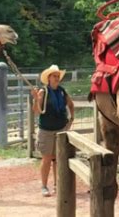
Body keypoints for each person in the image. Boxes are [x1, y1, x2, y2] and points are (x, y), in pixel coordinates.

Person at [31, 65, 74, 197]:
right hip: (46, 130)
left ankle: (57, 185)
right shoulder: (43, 92)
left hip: (61, 129)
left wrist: (71, 119)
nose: (57, 78)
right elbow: (37, 111)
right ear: (48, 78)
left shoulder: (62, 91)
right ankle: (44, 186)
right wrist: (36, 99)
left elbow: (70, 104)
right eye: (54, 76)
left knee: (58, 159)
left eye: (58, 76)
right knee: (46, 159)